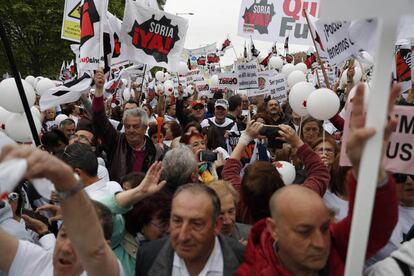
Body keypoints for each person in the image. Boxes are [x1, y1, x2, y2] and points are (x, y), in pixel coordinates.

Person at [236, 83, 401, 276]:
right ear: (274, 229)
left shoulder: (335, 245)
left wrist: (371, 167)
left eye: (324, 227)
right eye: (304, 231)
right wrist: (298, 144)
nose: (320, 243)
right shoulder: (251, 272)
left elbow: (376, 225)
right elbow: (319, 173)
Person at [0, 144, 123, 276]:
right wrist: (44, 233)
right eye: (63, 235)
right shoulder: (36, 263)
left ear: (105, 248)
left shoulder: (106, 272)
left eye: (80, 243)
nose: (66, 248)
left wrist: (65, 179)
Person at [222, 121, 329, 224]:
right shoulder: (298, 203)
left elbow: (229, 171)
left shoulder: (241, 203)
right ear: (280, 183)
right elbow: (319, 172)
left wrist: (245, 138)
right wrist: (297, 141)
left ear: (244, 188)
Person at [135, 183, 245, 276]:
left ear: (216, 226)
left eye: (196, 224)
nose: (183, 236)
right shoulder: (148, 256)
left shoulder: (243, 258)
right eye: (177, 221)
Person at [92, 68, 162, 183]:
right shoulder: (116, 141)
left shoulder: (156, 151)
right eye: (128, 126)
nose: (131, 130)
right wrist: (99, 90)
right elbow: (100, 119)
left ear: (145, 128)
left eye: (135, 126)